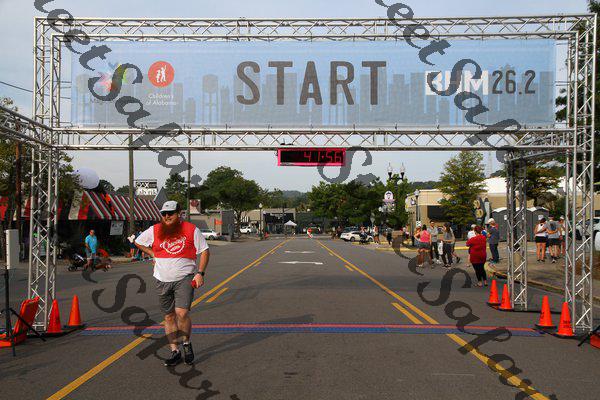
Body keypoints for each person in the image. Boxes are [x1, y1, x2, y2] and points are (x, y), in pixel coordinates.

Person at [135, 201, 210, 367]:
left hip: (184, 278)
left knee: (181, 313)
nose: (167, 216)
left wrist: (200, 273)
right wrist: (153, 253)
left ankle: (186, 343)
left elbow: (204, 251)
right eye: (164, 214)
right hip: (162, 279)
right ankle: (174, 351)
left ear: (179, 213)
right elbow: (138, 242)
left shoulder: (191, 229)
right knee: (168, 317)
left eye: (170, 213)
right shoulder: (155, 230)